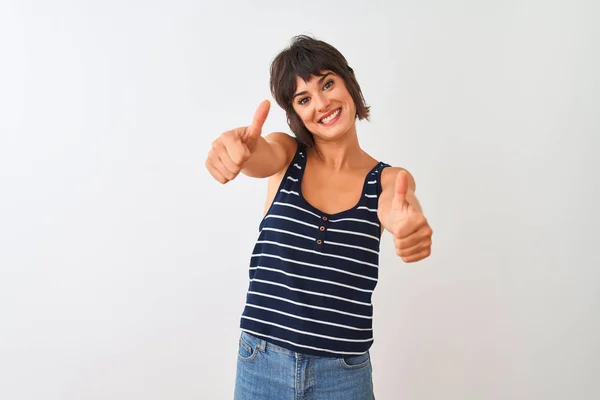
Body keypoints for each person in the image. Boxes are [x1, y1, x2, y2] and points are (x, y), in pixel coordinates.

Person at [205, 35, 433, 400]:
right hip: (262, 363)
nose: (322, 103)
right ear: (295, 113)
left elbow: (398, 206)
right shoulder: (287, 154)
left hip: (342, 376)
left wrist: (406, 224)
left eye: (327, 83)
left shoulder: (387, 179)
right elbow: (258, 155)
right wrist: (236, 151)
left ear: (349, 82)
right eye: (304, 98)